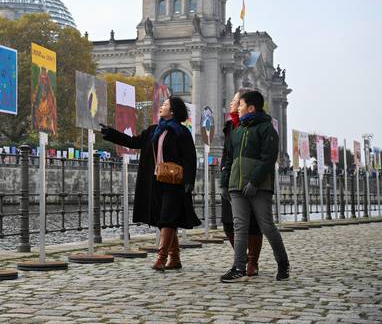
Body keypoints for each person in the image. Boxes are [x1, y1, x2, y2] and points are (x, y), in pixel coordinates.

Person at [100, 96, 200, 271]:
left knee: (167, 218)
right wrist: (111, 133)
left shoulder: (182, 132)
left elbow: (190, 158)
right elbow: (133, 142)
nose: (161, 107)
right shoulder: (154, 130)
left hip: (174, 182)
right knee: (166, 220)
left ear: (173, 111)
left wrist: (189, 181)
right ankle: (174, 258)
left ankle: (161, 258)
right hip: (155, 181)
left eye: (165, 105)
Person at [220, 91, 290, 282]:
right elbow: (228, 158)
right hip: (236, 185)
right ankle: (238, 267)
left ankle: (283, 263)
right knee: (239, 227)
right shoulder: (237, 131)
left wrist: (254, 182)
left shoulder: (267, 129)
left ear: (251, 107)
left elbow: (268, 159)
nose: (238, 108)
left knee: (267, 226)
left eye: (240, 104)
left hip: (259, 187)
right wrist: (224, 183)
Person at [221, 89, 263, 277]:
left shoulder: (257, 125)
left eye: (236, 101)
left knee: (253, 223)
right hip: (231, 178)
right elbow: (227, 154)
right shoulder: (230, 125)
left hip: (250, 179)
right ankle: (243, 258)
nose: (232, 103)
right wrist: (223, 177)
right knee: (228, 223)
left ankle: (253, 261)